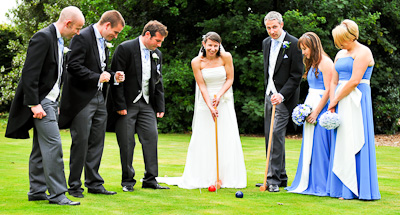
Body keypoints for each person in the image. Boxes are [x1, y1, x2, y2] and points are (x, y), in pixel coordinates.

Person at [5, 6, 84, 206]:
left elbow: (54, 75)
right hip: (41, 103)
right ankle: (58, 194)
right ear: (67, 23)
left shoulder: (57, 40)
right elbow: (30, 73)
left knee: (40, 149)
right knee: (53, 146)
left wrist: (55, 101)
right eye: (77, 28)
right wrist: (34, 104)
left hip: (50, 102)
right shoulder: (43, 37)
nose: (78, 33)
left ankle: (37, 191)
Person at [158, 32, 247, 189]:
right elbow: (202, 86)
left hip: (224, 101)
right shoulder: (196, 62)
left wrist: (219, 95)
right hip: (205, 103)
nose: (212, 48)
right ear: (204, 44)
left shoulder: (226, 57)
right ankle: (205, 176)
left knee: (226, 136)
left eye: (215, 45)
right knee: (205, 137)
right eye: (210, 45)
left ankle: (224, 177)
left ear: (219, 45)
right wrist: (210, 106)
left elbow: (230, 79)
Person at [59, 10, 125, 198]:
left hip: (99, 98)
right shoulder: (82, 36)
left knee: (97, 141)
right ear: (106, 26)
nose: (115, 36)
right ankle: (74, 186)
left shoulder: (103, 41)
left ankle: (94, 183)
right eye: (115, 32)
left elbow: (101, 68)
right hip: (82, 100)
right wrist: (98, 77)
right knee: (80, 143)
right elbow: (73, 65)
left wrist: (114, 76)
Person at [110, 20, 169, 191]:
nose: (158, 45)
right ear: (147, 34)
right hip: (127, 104)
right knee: (127, 143)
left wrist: (160, 106)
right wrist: (120, 105)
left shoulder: (157, 53)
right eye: (157, 41)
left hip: (147, 104)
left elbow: (158, 81)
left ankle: (150, 179)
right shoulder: (125, 48)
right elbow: (116, 78)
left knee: (151, 139)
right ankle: (128, 181)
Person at [326, 19, 381, 200]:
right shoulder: (340, 54)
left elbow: (355, 81)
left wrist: (335, 100)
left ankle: (359, 189)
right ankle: (340, 189)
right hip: (340, 99)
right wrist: (332, 102)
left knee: (356, 137)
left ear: (353, 36)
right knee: (341, 140)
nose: (340, 45)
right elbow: (334, 80)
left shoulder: (364, 52)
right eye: (338, 42)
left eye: (343, 41)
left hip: (357, 99)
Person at [255, 11, 303, 192]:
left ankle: (272, 179)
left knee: (276, 135)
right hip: (269, 95)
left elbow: (296, 75)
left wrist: (281, 95)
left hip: (284, 98)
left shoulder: (295, 43)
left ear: (281, 25)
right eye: (268, 27)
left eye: (274, 27)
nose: (271, 31)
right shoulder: (266, 43)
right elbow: (269, 71)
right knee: (270, 136)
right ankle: (280, 177)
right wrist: (269, 93)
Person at [285, 32, 333, 196]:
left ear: (313, 46)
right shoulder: (313, 63)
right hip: (311, 102)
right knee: (309, 144)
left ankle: (321, 183)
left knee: (320, 145)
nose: (303, 52)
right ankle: (307, 180)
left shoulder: (325, 63)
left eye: (305, 49)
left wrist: (316, 112)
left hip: (320, 106)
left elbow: (328, 90)